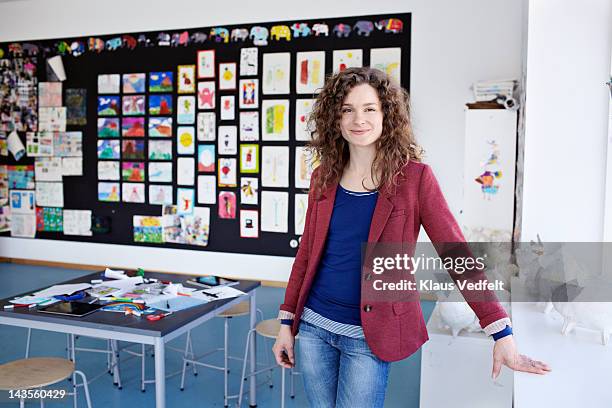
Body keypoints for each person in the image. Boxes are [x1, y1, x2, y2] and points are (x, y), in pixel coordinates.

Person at [272, 67, 551, 407]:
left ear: (386, 114)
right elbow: (307, 254)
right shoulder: (322, 177)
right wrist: (287, 322)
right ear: (335, 118)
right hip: (315, 327)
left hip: (368, 335)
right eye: (347, 109)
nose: (358, 119)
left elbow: (456, 254)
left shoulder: (415, 179)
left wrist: (500, 331)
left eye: (369, 108)